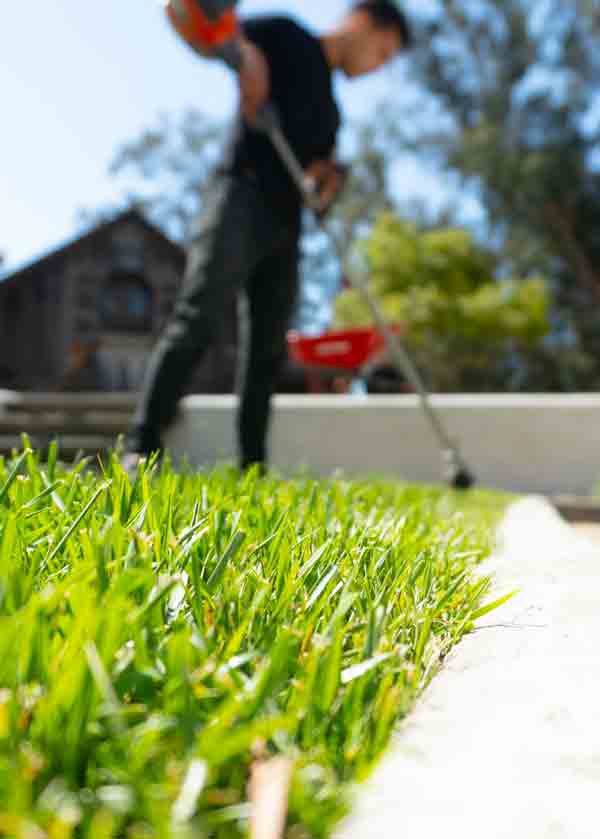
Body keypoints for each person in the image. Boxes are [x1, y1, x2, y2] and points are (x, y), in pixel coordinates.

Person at [124, 0, 412, 472]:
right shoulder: (283, 34)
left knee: (266, 350)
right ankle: (142, 443)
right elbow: (190, 17)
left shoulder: (332, 115)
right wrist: (243, 56)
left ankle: (252, 467)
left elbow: (314, 184)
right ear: (363, 23)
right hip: (240, 194)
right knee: (199, 312)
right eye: (381, 53)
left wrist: (326, 184)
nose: (377, 67)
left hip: (286, 224)